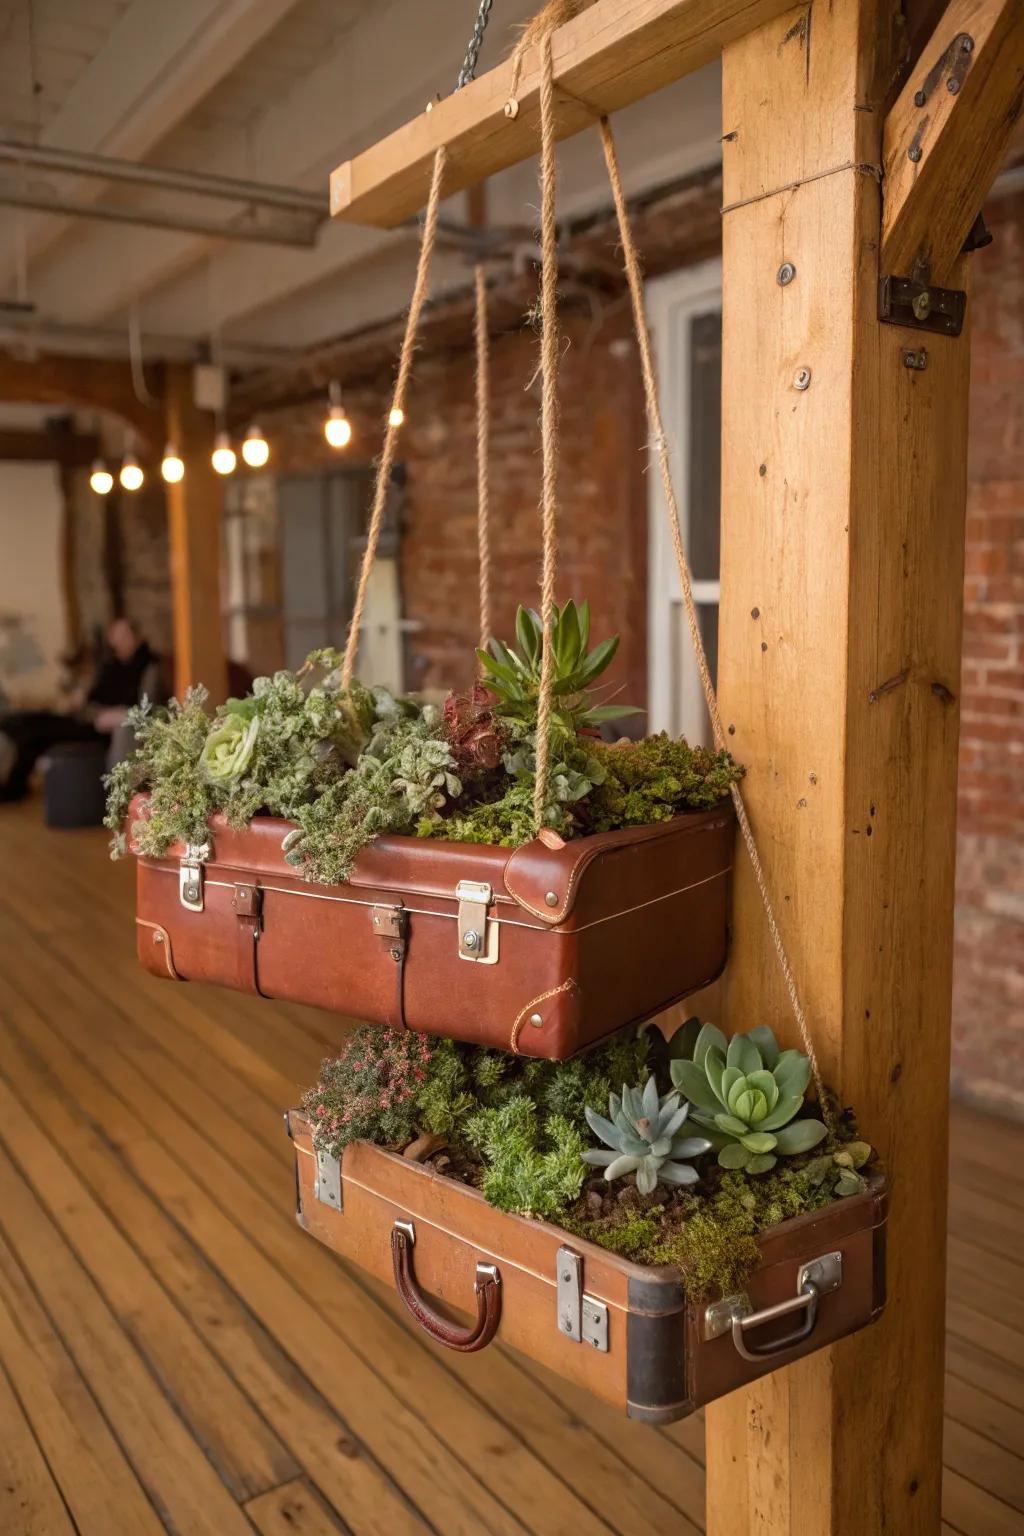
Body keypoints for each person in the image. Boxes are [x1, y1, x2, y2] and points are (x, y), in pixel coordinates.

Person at [0, 617, 160, 802]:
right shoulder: (113, 664)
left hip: (99, 726)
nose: (118, 641)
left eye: (124, 635)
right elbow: (94, 694)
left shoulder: (147, 667)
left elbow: (147, 708)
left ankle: (13, 789)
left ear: (137, 637)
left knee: (34, 733)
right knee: (25, 721)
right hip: (84, 716)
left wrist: (119, 714)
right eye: (116, 636)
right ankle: (14, 778)